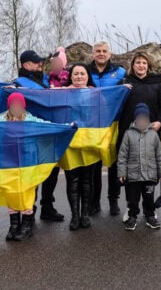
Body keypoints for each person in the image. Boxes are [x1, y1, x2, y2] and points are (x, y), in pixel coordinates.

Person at [12, 50, 65, 223]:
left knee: (51, 171)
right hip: (31, 134)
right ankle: (30, 209)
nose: (40, 65)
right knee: (32, 173)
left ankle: (47, 207)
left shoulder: (44, 80)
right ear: (26, 64)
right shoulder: (18, 83)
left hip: (49, 133)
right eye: (37, 62)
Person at [0, 92, 49, 241]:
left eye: (18, 104)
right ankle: (14, 225)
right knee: (11, 193)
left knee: (26, 193)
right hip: (8, 163)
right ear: (9, 106)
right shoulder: (0, 121)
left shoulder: (31, 120)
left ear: (23, 106)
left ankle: (26, 226)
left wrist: (67, 127)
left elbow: (48, 126)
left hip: (28, 163)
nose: (16, 107)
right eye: (13, 104)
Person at [119, 51, 161, 222]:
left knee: (149, 173)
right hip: (129, 135)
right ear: (132, 65)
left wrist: (160, 122)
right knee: (130, 174)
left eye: (144, 63)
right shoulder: (125, 83)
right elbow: (112, 102)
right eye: (138, 62)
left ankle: (150, 209)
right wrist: (118, 89)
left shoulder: (156, 85)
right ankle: (131, 208)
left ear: (149, 66)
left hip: (151, 135)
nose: (141, 65)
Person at [88, 41, 127, 216]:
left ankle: (113, 200)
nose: (101, 54)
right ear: (93, 54)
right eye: (98, 51)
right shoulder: (85, 71)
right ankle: (94, 202)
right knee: (94, 164)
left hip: (115, 122)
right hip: (93, 124)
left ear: (110, 54)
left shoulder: (120, 71)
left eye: (104, 51)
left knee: (114, 163)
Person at [118, 103, 161, 231]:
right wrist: (122, 173)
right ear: (135, 119)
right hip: (133, 175)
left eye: (144, 118)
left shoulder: (153, 135)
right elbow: (122, 156)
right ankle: (132, 217)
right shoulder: (128, 134)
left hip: (150, 176)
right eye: (139, 118)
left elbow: (159, 155)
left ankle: (150, 216)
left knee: (149, 198)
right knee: (133, 199)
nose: (142, 120)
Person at [64, 63, 96, 230]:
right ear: (70, 76)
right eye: (75, 74)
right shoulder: (63, 93)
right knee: (72, 180)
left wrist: (124, 88)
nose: (78, 77)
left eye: (82, 73)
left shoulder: (96, 93)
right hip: (70, 143)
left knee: (86, 180)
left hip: (89, 142)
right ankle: (74, 216)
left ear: (87, 76)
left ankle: (85, 215)